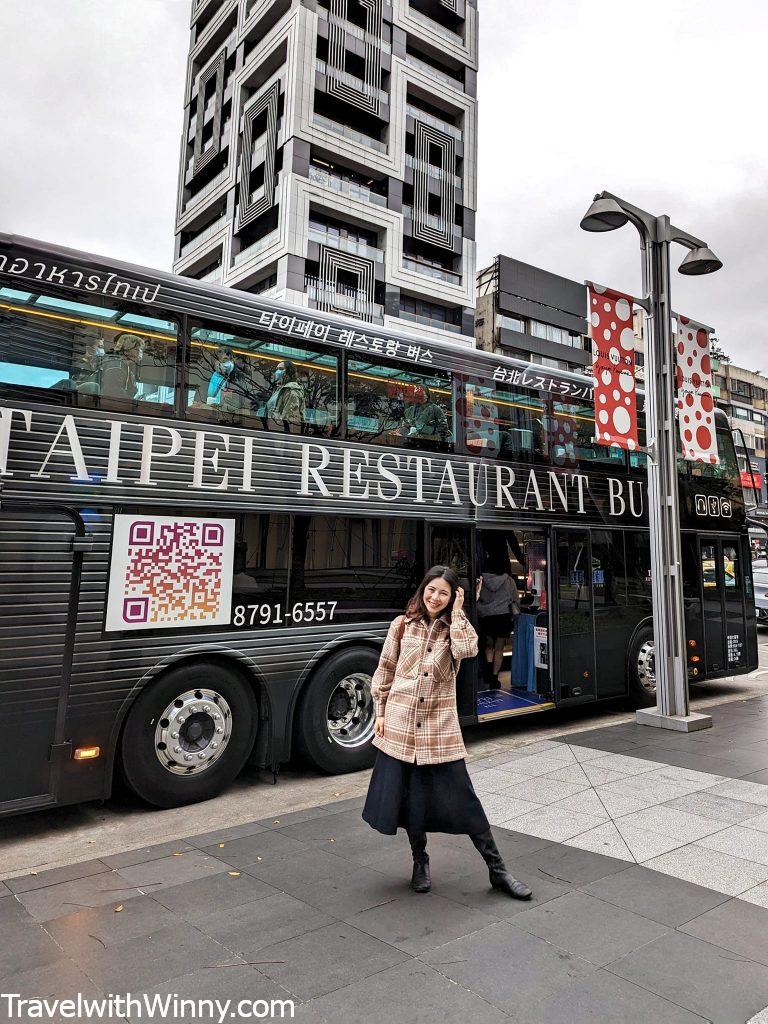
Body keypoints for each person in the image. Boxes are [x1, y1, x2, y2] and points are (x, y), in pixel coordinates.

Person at [362, 566, 532, 900]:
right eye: (431, 590)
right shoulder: (401, 626)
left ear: (453, 596)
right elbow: (384, 671)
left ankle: (498, 871)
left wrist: (457, 612)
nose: (435, 597)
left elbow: (468, 650)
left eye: (443, 592)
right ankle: (419, 862)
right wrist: (379, 713)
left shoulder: (456, 628)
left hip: (439, 730)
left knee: (466, 799)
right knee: (411, 800)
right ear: (422, 589)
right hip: (400, 725)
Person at [477, 567, 521, 689]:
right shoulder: (508, 580)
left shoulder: (482, 579)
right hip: (503, 616)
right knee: (499, 648)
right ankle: (494, 678)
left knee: (489, 645)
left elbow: (477, 596)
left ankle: (488, 671)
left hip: (487, 616)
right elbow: (515, 599)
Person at [266, 359, 306, 431]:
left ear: (289, 372)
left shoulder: (292, 390)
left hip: (280, 431)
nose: (277, 372)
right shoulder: (278, 389)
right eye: (277, 369)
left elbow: (291, 419)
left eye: (281, 369)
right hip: (272, 428)